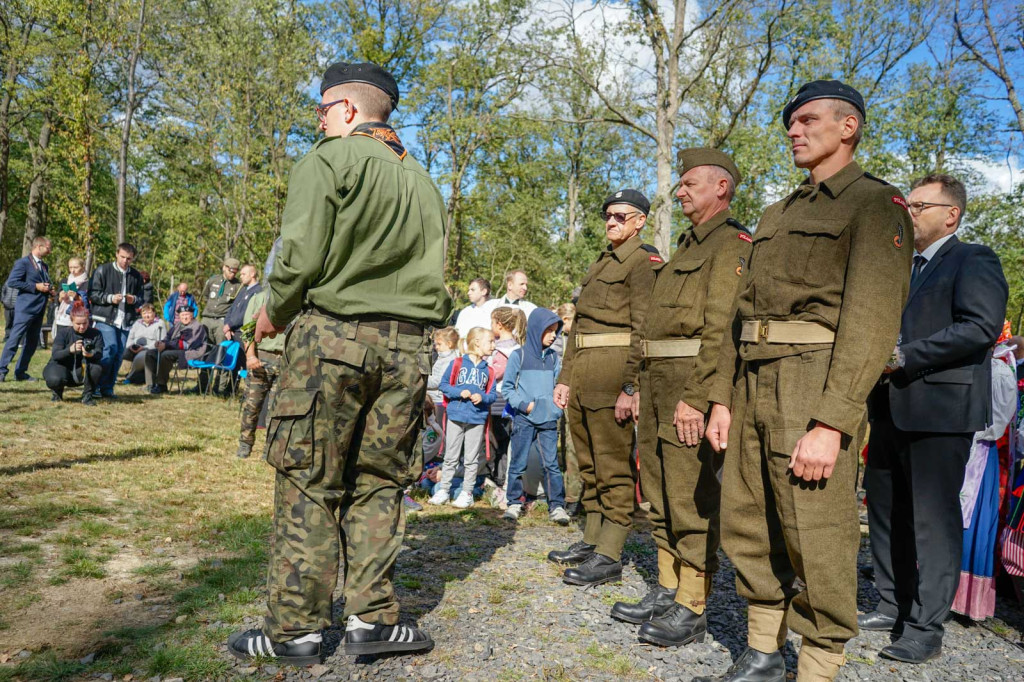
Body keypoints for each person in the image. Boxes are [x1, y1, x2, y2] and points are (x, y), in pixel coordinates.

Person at [227, 61, 452, 663]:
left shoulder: (327, 161)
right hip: (408, 349)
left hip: (333, 341)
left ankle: (295, 630)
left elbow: (297, 257)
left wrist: (272, 311)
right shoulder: (426, 183)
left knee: (309, 480)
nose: (320, 119)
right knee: (381, 482)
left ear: (347, 110)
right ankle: (370, 621)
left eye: (322, 109)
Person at [697, 80, 913, 682]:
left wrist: (832, 421)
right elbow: (738, 313)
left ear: (849, 127)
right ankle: (764, 650)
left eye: (808, 119)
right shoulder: (778, 212)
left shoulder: (876, 205)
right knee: (748, 518)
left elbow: (870, 323)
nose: (794, 130)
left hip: (811, 383)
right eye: (790, 122)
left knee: (815, 531)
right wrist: (720, 396)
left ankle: (817, 666)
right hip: (751, 383)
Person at [860, 173, 1007, 664]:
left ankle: (926, 625)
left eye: (919, 205)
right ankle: (891, 602)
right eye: (908, 203)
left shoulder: (973, 259)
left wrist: (904, 356)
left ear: (951, 214)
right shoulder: (901, 267)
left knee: (932, 520)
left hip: (941, 410)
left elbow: (980, 327)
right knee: (884, 512)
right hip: (887, 406)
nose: (910, 212)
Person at [611, 149, 751, 649]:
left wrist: (699, 397)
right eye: (681, 184)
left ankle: (692, 603)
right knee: (660, 492)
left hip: (686, 383)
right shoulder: (687, 247)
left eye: (691, 183)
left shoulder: (731, 245)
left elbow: (720, 329)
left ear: (721, 188)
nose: (680, 191)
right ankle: (669, 588)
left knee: (692, 496)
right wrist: (634, 385)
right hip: (655, 383)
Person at [548, 190, 660, 587]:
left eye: (620, 216)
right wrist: (564, 378)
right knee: (589, 463)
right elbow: (577, 328)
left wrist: (632, 385)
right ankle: (593, 540)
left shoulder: (643, 262)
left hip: (614, 374)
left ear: (640, 221)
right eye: (608, 216)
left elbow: (644, 326)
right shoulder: (602, 262)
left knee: (613, 465)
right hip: (583, 374)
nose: (611, 222)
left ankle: (610, 552)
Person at [501, 308, 569, 525]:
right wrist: (525, 406)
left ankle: (557, 506)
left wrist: (556, 408)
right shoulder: (517, 356)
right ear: (536, 329)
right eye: (548, 330)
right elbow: (508, 388)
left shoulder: (553, 358)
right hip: (524, 419)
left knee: (551, 464)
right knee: (518, 462)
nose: (552, 335)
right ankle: (514, 502)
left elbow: (559, 386)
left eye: (555, 331)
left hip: (548, 420)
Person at [429, 326, 498, 509]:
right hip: (455, 416)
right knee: (451, 456)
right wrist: (460, 392)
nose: (493, 345)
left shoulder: (489, 371)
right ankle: (444, 490)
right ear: (477, 343)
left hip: (477, 419)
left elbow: (492, 395)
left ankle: (467, 493)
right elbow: (443, 385)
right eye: (490, 341)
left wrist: (482, 397)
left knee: (471, 458)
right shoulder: (457, 363)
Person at [236, 256, 284, 459]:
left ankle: (269, 451)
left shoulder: (294, 302)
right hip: (260, 359)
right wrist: (250, 356)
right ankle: (245, 445)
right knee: (252, 405)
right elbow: (247, 330)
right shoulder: (259, 298)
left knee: (277, 410)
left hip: (285, 362)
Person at [88, 242, 145, 397]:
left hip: (125, 320)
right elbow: (92, 294)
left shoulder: (136, 276)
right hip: (105, 317)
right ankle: (95, 386)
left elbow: (142, 298)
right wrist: (110, 298)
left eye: (129, 258)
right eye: (122, 257)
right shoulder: (103, 270)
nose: (125, 261)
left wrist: (135, 300)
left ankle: (108, 388)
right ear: (116, 254)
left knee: (119, 354)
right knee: (109, 348)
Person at [485, 306, 527, 507]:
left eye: (492, 322)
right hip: (512, 399)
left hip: (500, 400)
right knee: (506, 441)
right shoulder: (519, 346)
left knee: (498, 441)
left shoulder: (502, 349)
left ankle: (499, 481)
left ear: (499, 325)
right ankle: (503, 479)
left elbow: (496, 372)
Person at [0, 236, 54, 382]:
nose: (50, 251)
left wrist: (50, 290)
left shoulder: (44, 266)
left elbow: (43, 283)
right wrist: (34, 287)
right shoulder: (23, 263)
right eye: (48, 248)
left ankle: (21, 372)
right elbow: (12, 282)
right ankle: (1, 371)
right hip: (25, 308)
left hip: (39, 309)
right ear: (38, 246)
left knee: (31, 343)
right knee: (14, 340)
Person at [43, 302, 104, 405]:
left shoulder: (96, 334)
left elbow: (99, 353)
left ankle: (87, 396)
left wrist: (91, 354)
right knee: (54, 379)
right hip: (61, 366)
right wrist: (69, 350)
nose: (82, 327)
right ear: (71, 322)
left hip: (82, 369)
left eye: (85, 323)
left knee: (97, 368)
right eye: (78, 324)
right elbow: (56, 355)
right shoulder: (63, 333)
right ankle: (57, 393)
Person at [144, 305, 208, 394]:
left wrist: (166, 345)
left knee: (165, 355)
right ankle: (151, 384)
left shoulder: (197, 326)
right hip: (174, 348)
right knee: (150, 353)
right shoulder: (178, 325)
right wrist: (161, 343)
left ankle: (161, 385)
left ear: (192, 315)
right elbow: (168, 337)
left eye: (187, 315)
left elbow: (186, 345)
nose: (185, 317)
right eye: (182, 315)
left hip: (190, 352)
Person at [199, 258, 241, 344]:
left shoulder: (237, 285)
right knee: (202, 344)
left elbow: (237, 307)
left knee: (221, 347)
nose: (232, 274)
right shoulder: (213, 280)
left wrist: (230, 325)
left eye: (235, 272)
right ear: (224, 268)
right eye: (230, 271)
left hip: (222, 321)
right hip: (207, 318)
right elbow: (205, 296)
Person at [123, 303, 167, 384]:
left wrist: (144, 348)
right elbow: (130, 337)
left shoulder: (160, 323)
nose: (147, 315)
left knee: (141, 356)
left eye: (149, 313)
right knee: (119, 353)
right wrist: (130, 346)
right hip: (134, 348)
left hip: (150, 350)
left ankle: (130, 376)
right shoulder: (137, 323)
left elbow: (160, 342)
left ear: (154, 313)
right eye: (144, 313)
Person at [223, 264, 262, 341]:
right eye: (240, 274)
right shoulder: (243, 290)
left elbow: (246, 313)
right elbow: (232, 308)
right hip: (231, 332)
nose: (240, 276)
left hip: (243, 333)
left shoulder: (258, 291)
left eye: (243, 274)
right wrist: (227, 326)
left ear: (252, 274)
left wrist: (230, 325)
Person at [427, 326, 460, 417]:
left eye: (439, 344)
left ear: (449, 344)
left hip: (438, 399)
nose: (436, 347)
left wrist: (423, 380)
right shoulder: (443, 357)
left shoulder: (448, 361)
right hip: (435, 397)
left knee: (438, 424)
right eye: (435, 344)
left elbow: (438, 381)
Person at [53, 257, 89, 336]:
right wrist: (60, 297)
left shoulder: (87, 283)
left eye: (76, 267)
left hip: (78, 318)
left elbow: (87, 303)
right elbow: (56, 300)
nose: (72, 270)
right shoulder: (64, 281)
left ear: (82, 267)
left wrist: (76, 296)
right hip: (62, 318)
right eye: (70, 267)